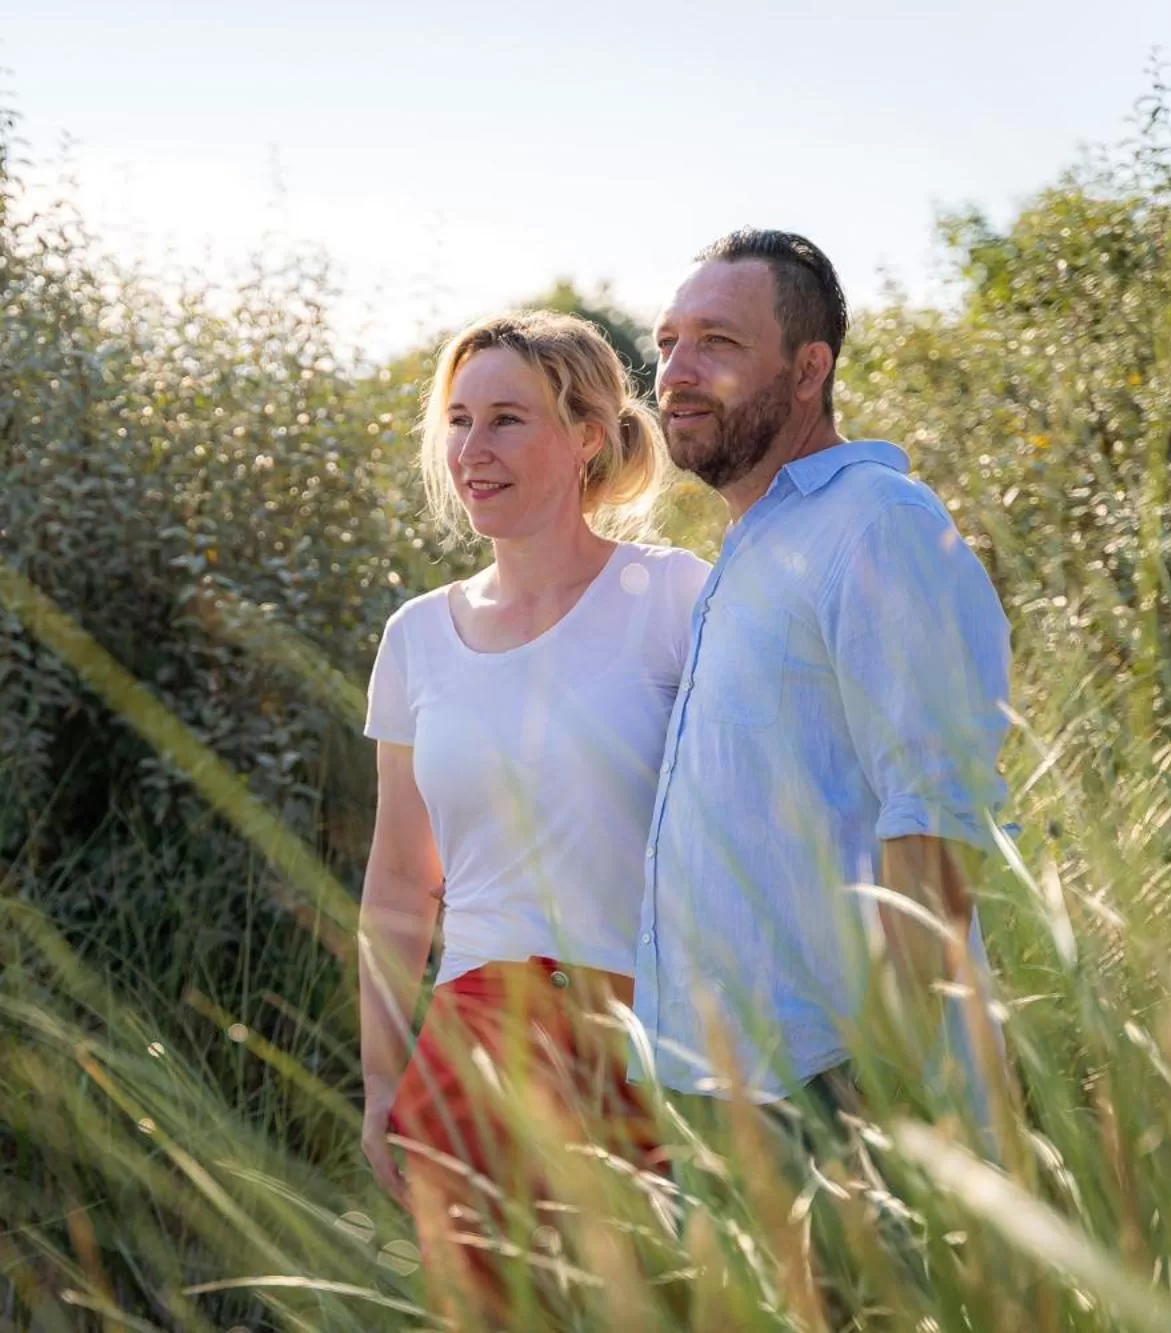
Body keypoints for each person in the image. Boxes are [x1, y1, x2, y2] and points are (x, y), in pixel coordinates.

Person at [357, 310, 709, 1326]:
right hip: (466, 1057)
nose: (472, 450)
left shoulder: (672, 598)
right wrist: (383, 1083)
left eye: (507, 419)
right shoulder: (416, 637)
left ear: (586, 432)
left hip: (651, 1048)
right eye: (458, 421)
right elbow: (395, 883)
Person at [630, 228, 1011, 1133]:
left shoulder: (878, 524)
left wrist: (893, 1092)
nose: (677, 370)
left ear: (809, 371)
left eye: (717, 342)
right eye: (667, 341)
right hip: (729, 1089)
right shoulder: (756, 543)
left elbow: (938, 814)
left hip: (842, 1091)